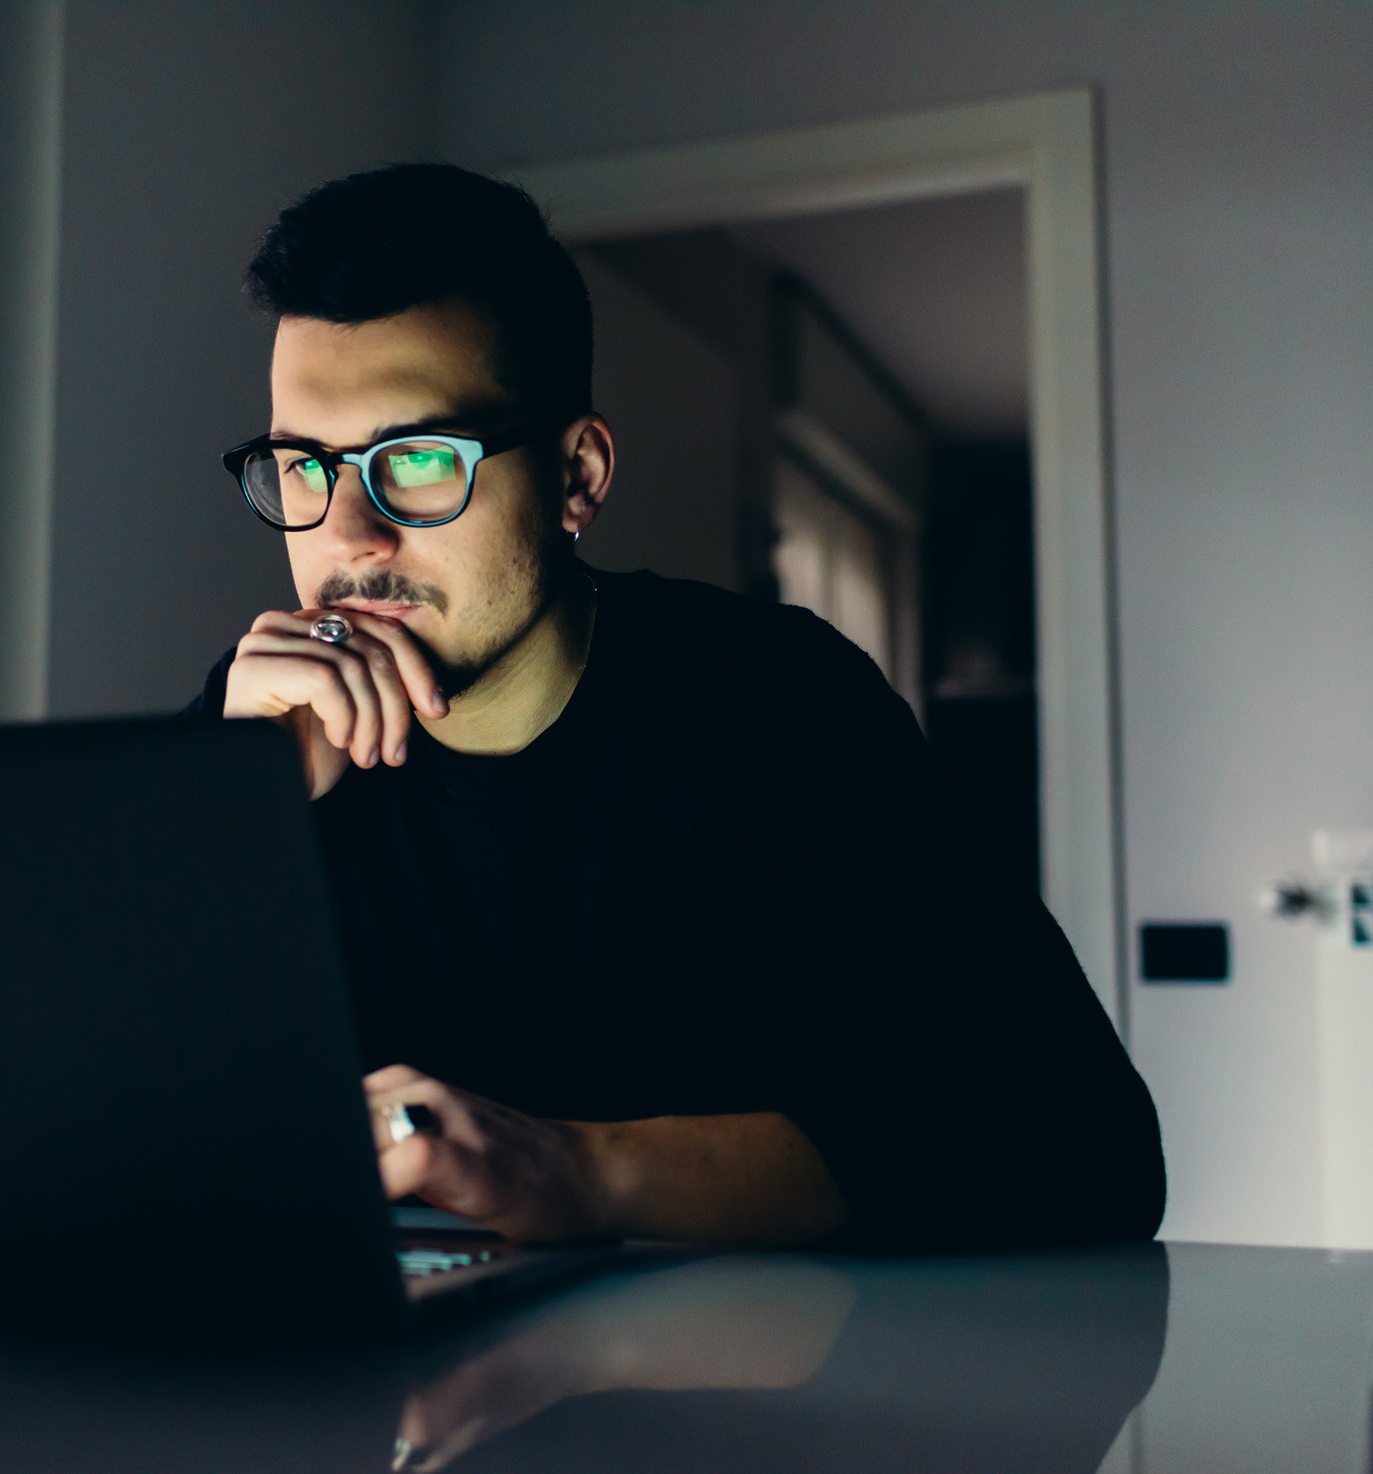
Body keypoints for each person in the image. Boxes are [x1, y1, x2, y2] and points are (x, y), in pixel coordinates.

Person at [186, 162, 1163, 1253]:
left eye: (418, 459)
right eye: (302, 465)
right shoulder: (256, 730)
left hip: (780, 1396)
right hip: (386, 1407)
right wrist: (227, 816)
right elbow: (80, 1132)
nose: (349, 533)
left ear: (577, 477)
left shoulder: (777, 705)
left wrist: (578, 1172)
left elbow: (1082, 1147)